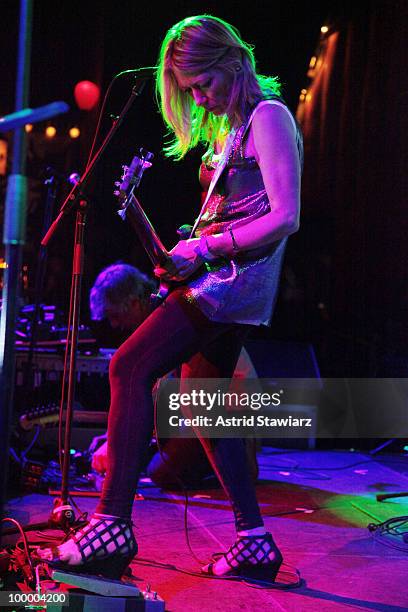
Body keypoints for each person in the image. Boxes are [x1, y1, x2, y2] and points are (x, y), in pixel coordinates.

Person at [38, 15, 302, 584]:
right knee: (205, 407)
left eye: (202, 84)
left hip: (231, 287)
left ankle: (112, 523)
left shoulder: (269, 118)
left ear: (230, 63)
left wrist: (205, 246)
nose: (199, 99)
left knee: (129, 365)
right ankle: (254, 539)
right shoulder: (233, 131)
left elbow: (286, 215)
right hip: (224, 281)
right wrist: (181, 248)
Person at [87, 262, 259, 486]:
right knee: (146, 458)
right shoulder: (162, 310)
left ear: (134, 302)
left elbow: (162, 398)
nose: (115, 324)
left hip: (227, 414)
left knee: (160, 473)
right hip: (202, 411)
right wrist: (115, 437)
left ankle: (237, 464)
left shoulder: (168, 316)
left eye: (115, 315)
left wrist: (119, 441)